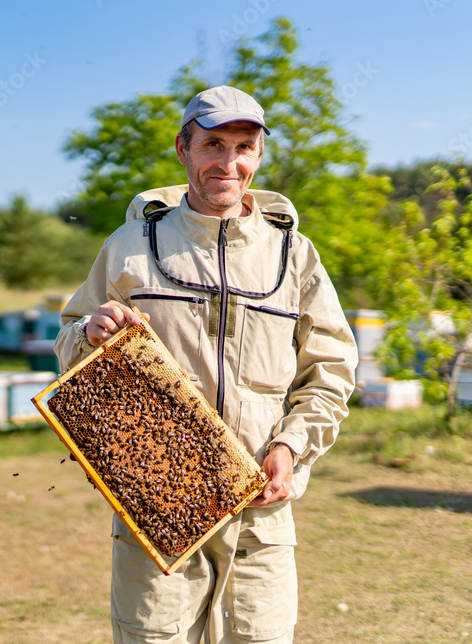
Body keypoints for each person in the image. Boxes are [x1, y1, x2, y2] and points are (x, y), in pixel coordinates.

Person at [54, 85, 358, 643]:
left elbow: (331, 370)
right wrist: (87, 333)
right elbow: (71, 349)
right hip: (157, 516)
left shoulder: (297, 255)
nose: (229, 162)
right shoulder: (129, 247)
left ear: (259, 155)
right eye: (213, 144)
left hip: (261, 515)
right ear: (183, 149)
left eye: (244, 147)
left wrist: (292, 447)